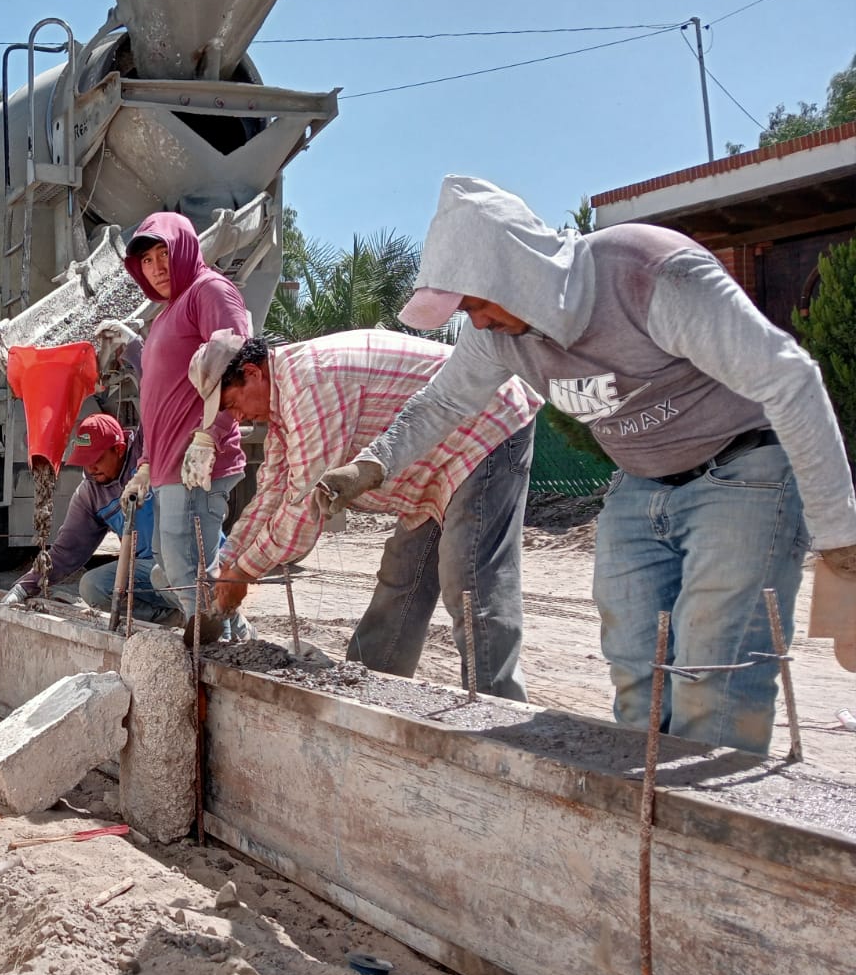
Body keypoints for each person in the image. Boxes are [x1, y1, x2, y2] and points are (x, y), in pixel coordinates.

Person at [320, 175, 856, 753]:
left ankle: (704, 829)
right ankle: (646, 817)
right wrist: (372, 464)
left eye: (475, 302)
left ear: (514, 271)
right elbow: (444, 402)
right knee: (635, 671)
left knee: (716, 678)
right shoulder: (500, 336)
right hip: (637, 484)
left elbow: (790, 378)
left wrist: (839, 535)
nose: (474, 320)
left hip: (743, 472)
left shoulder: (647, 275)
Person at [195, 330, 540, 699]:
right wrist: (226, 566)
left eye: (232, 404)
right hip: (432, 461)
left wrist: (244, 572)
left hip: (485, 426)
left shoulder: (310, 384)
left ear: (252, 372)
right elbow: (271, 494)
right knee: (402, 575)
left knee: (469, 581)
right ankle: (368, 691)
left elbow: (303, 509)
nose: (238, 417)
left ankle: (497, 709)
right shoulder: (282, 401)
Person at [115, 211, 253, 638]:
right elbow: (162, 401)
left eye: (163, 253)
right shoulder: (165, 315)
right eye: (147, 260)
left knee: (186, 567)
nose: (156, 268)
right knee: (170, 566)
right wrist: (144, 465)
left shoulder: (208, 291)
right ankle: (232, 633)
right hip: (167, 466)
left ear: (185, 249)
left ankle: (218, 655)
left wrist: (209, 438)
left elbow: (239, 364)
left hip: (197, 463)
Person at [1, 414, 177, 623]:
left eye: (97, 459)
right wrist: (23, 587)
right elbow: (66, 550)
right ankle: (172, 622)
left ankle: (213, 626)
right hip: (146, 569)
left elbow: (157, 409)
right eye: (85, 461)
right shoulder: (90, 495)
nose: (90, 468)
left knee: (170, 576)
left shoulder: (144, 451)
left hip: (184, 558)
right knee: (93, 586)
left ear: (119, 450)